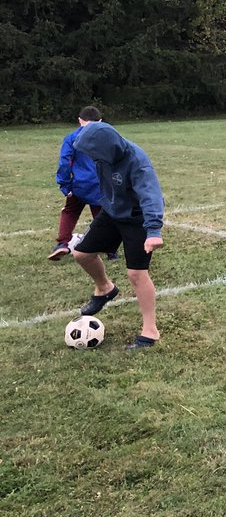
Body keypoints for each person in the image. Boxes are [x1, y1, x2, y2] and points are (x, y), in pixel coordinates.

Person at [70, 121, 165, 350]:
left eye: (94, 153)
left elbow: (150, 195)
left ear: (107, 147)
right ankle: (105, 288)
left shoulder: (136, 162)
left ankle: (150, 331)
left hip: (137, 218)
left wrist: (153, 230)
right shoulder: (103, 158)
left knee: (136, 274)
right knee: (82, 254)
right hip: (112, 212)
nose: (92, 157)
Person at [49, 106, 117, 262]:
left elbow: (65, 162)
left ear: (79, 120)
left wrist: (65, 185)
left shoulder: (72, 138)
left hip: (79, 185)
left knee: (70, 212)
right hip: (100, 185)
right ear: (100, 121)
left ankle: (63, 243)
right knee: (102, 217)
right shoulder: (107, 137)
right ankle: (110, 249)